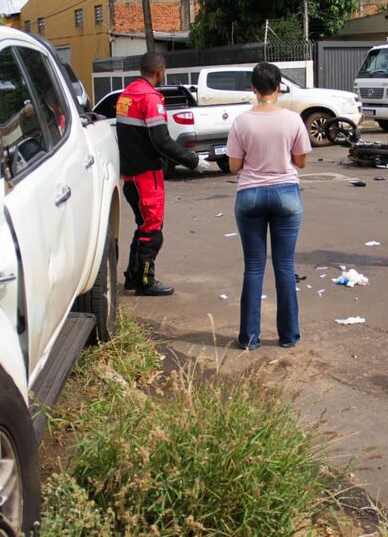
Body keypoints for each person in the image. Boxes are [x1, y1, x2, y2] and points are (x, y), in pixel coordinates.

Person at [225, 61, 311, 349]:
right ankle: (288, 336)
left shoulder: (241, 121)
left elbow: (234, 166)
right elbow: (301, 160)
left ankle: (249, 338)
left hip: (250, 194)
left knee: (253, 267)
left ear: (253, 88)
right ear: (278, 88)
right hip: (286, 193)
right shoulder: (293, 120)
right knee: (285, 266)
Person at [116, 52, 210, 296]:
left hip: (131, 174)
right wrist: (192, 161)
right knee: (152, 230)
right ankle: (146, 281)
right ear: (160, 71)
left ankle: (132, 277)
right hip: (147, 174)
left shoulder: (127, 95)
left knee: (143, 226)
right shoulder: (150, 98)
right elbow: (161, 140)